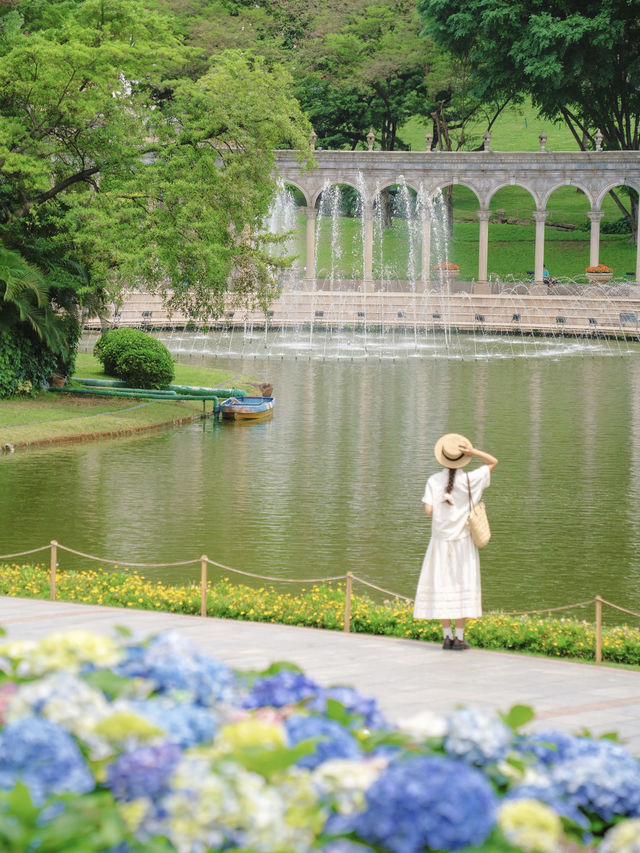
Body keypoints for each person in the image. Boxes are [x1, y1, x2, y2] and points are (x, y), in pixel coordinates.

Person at [413, 433, 498, 650]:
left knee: (442, 586)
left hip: (440, 543)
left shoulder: (433, 480)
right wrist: (473, 452)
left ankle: (446, 637)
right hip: (462, 542)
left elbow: (428, 510)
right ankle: (459, 638)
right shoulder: (470, 479)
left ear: (441, 456)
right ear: (463, 458)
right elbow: (493, 462)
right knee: (462, 584)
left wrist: (442, 504)